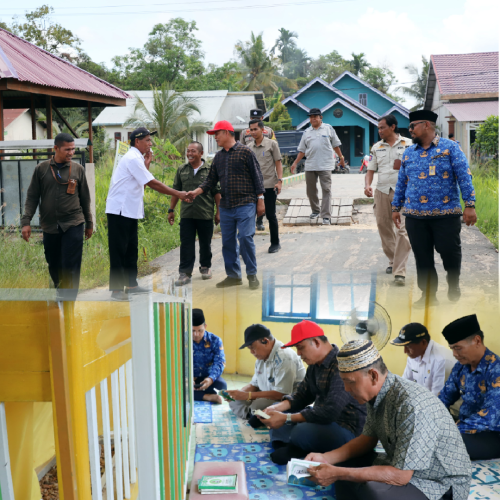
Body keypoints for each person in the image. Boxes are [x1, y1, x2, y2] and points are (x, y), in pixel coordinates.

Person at [305, 340, 472, 500]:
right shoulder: (376, 394)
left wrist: (338, 472)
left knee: (370, 491)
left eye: (350, 383)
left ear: (373, 376)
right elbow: (367, 439)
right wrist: (326, 458)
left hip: (438, 483)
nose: (347, 390)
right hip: (403, 467)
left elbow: (401, 476)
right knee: (345, 468)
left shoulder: (412, 405)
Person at [392, 110, 477, 306]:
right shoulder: (408, 153)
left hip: (446, 214)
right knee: (423, 258)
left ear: (427, 125)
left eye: (413, 126)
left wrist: (470, 205)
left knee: (449, 252)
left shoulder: (450, 148)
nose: (410, 130)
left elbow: (464, 177)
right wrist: (396, 207)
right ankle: (428, 295)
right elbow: (402, 182)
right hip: (414, 215)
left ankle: (453, 283)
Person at [258, 320, 366, 465]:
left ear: (316, 342)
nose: (299, 354)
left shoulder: (342, 364)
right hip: (321, 420)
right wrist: (276, 408)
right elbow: (302, 396)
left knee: (300, 430)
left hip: (345, 427)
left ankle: (298, 447)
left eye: (300, 348)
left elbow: (331, 412)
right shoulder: (314, 367)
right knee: (279, 417)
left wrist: (287, 418)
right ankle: (299, 446)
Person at [105, 127, 189, 301]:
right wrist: (178, 193)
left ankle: (132, 284)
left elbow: (141, 184)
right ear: (137, 141)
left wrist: (147, 164)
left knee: (131, 249)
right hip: (119, 210)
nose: (151, 144)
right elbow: (152, 183)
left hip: (129, 211)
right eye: (147, 140)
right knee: (119, 250)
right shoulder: (132, 158)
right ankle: (116, 290)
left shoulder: (138, 159)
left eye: (150, 140)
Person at [187, 121, 265, 290]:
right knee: (228, 242)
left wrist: (260, 200)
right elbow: (210, 181)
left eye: (217, 134)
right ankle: (233, 276)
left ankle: (251, 274)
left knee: (245, 238)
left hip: (246, 203)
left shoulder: (245, 152)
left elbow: (257, 177)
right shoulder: (218, 157)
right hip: (226, 206)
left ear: (227, 132)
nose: (215, 137)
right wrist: (195, 192)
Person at [21, 133, 93, 298]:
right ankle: (60, 292)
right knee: (53, 263)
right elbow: (32, 197)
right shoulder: (41, 169)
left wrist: (89, 223)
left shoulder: (77, 169)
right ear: (56, 148)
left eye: (73, 149)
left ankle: (69, 299)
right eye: (67, 149)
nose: (71, 153)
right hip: (50, 225)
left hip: (73, 223)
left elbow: (85, 198)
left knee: (71, 264)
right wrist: (26, 222)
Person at [439, 314, 500, 460]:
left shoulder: (495, 370)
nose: (454, 354)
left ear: (477, 341)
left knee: (443, 445)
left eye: (458, 348)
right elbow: (444, 397)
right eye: (452, 348)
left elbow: (490, 418)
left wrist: (452, 429)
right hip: (463, 430)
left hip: (492, 435)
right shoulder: (461, 368)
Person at [226, 324, 306, 428]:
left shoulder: (285, 357)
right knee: (234, 402)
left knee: (256, 405)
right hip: (267, 395)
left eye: (253, 348)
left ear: (265, 341)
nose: (251, 352)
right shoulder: (261, 358)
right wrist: (238, 394)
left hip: (286, 400)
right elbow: (254, 385)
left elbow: (282, 394)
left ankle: (255, 413)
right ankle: (255, 415)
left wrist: (248, 396)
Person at [365, 115, 412, 286]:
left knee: (403, 229)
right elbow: (370, 169)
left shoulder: (409, 144)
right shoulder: (377, 147)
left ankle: (399, 271)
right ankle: (393, 261)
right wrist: (368, 185)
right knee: (383, 226)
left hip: (404, 192)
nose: (379, 131)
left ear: (393, 127)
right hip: (382, 191)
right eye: (378, 128)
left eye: (382, 128)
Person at [169, 141, 221, 286]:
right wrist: (171, 210)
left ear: (200, 153)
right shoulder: (181, 169)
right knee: (186, 244)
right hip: (186, 214)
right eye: (188, 151)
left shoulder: (210, 169)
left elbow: (217, 192)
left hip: (205, 214)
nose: (189, 154)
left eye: (193, 151)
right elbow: (175, 191)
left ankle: (205, 267)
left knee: (205, 243)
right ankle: (184, 273)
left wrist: (219, 212)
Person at [290, 108, 345, 225]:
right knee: (311, 191)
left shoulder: (328, 128)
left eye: (315, 116)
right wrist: (295, 163)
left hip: (325, 164)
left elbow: (336, 145)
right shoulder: (306, 132)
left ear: (321, 117)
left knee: (326, 189)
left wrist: (341, 157)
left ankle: (326, 216)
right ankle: (315, 210)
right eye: (311, 117)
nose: (313, 118)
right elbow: (302, 151)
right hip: (310, 165)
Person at [246, 120, 283, 253]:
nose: (253, 132)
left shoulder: (272, 144)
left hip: (269, 185)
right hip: (252, 188)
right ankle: (246, 246)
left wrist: (279, 181)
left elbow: (278, 163)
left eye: (255, 129)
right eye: (251, 129)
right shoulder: (248, 147)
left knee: (270, 215)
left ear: (262, 130)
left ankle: (275, 243)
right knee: (249, 216)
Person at [391, 322, 455, 396]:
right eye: (404, 346)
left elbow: (438, 398)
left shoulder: (441, 361)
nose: (405, 351)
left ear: (423, 342)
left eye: (408, 346)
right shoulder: (414, 355)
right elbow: (405, 384)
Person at [192, 308, 227, 404]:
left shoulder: (215, 340)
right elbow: (177, 362)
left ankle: (196, 394)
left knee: (222, 385)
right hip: (189, 377)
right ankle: (207, 396)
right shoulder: (181, 340)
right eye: (193, 330)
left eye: (200, 330)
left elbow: (220, 362)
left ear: (205, 326)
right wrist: (187, 378)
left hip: (208, 376)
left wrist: (210, 379)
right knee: (176, 388)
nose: (196, 334)